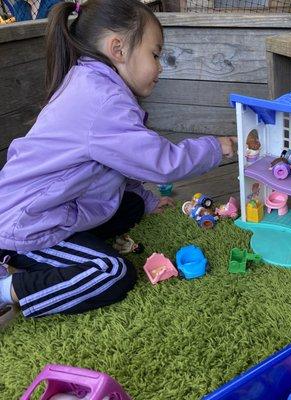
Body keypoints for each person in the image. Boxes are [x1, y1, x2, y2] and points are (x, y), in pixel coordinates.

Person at [0, 0, 237, 324]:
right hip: (27, 226)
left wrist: (148, 200)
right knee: (112, 272)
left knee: (130, 206)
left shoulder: (91, 82)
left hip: (49, 206)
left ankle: (44, 257)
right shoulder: (104, 99)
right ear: (118, 49)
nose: (160, 66)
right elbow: (163, 162)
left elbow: (115, 164)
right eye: (155, 54)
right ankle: (9, 286)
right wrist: (218, 147)